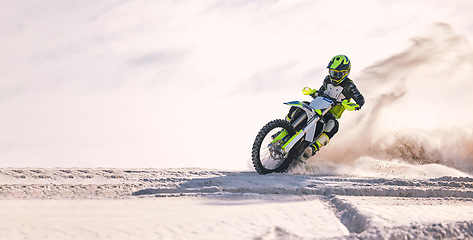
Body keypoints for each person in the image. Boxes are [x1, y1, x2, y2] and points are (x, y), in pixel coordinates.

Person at [287, 54, 365, 158]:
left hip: (330, 114)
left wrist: (355, 105)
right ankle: (285, 129)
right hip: (317, 108)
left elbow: (360, 99)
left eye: (337, 74)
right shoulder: (327, 79)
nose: (334, 76)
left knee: (333, 126)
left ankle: (313, 147)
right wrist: (314, 92)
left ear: (346, 73)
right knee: (298, 107)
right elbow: (321, 92)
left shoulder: (349, 85)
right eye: (332, 72)